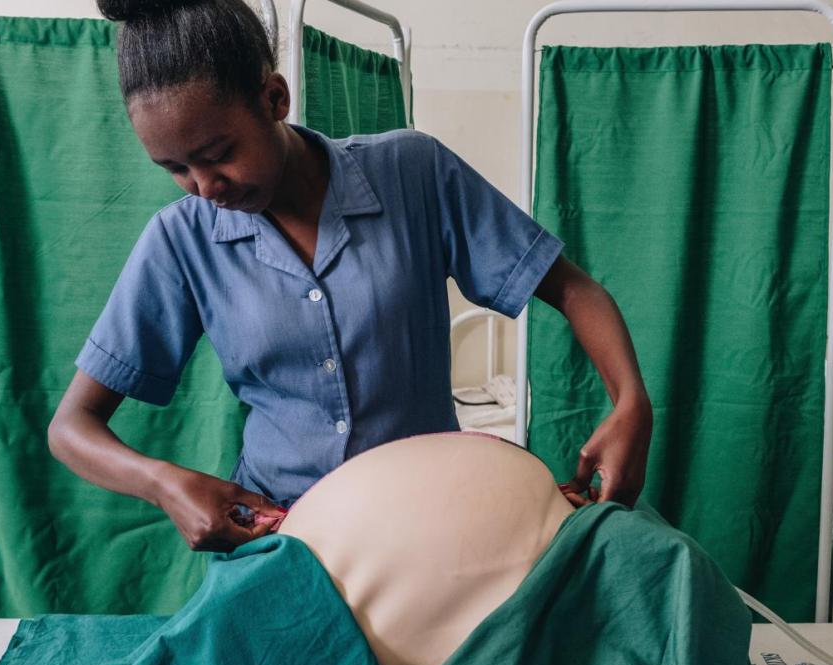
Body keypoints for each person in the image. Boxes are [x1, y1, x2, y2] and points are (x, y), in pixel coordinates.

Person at [47, 0, 652, 553]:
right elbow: (72, 428)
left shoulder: (414, 174)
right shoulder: (180, 240)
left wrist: (631, 403)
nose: (206, 188)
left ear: (274, 98)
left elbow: (574, 290)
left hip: (435, 528)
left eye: (217, 154)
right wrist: (165, 483)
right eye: (175, 168)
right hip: (286, 540)